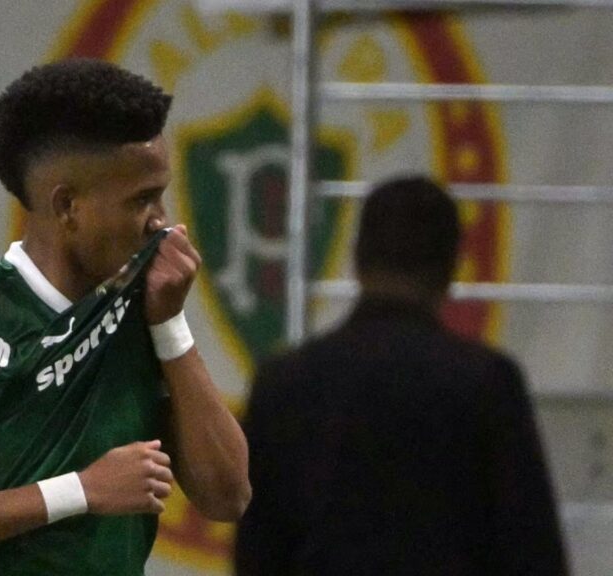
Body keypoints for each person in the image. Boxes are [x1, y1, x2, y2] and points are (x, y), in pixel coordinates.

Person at [0, 58, 250, 576]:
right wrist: (80, 491)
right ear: (67, 206)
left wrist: (169, 324)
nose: (161, 219)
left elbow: (228, 496)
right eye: (142, 200)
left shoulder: (140, 308)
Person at [235, 176, 567, 575]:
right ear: (451, 268)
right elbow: (534, 554)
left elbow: (257, 556)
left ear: (357, 258)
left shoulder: (283, 384)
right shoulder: (488, 384)